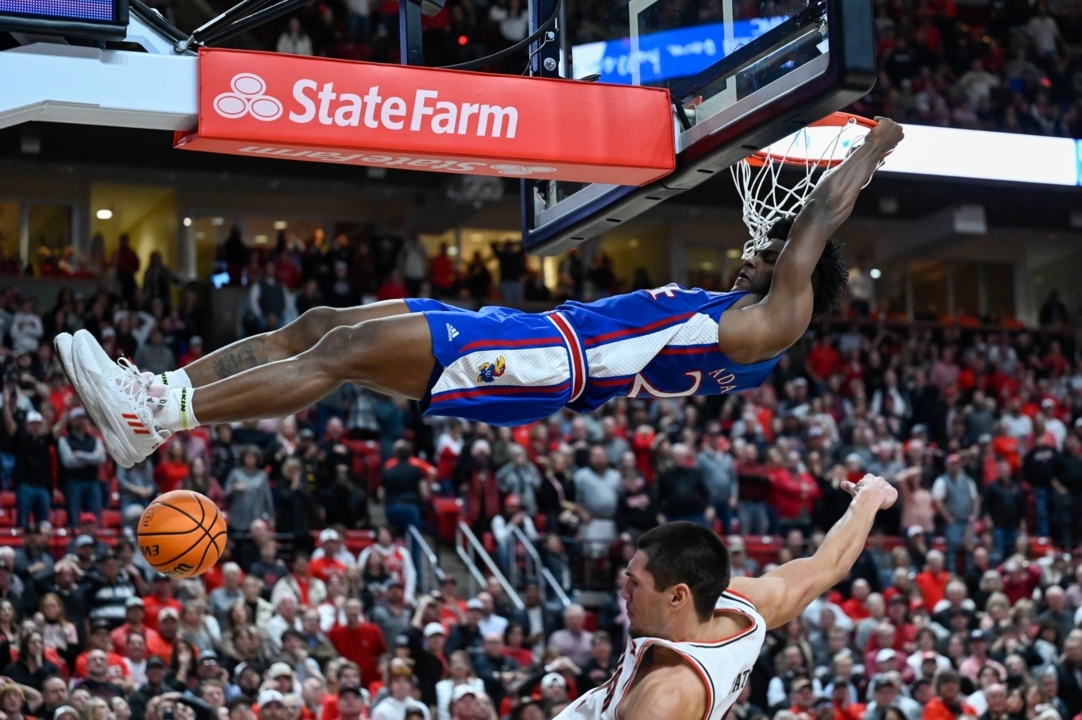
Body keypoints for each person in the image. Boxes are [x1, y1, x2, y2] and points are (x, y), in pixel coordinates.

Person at [58, 121, 906, 469]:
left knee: (344, 356)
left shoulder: (771, 325)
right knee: (324, 322)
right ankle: (159, 395)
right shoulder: (738, 314)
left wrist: (872, 150)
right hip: (533, 332)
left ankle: (161, 419)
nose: (750, 256)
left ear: (797, 278)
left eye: (766, 254)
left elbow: (817, 224)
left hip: (552, 363)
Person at [544, 473, 896, 720]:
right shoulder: (735, 603)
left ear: (678, 596)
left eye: (635, 583)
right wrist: (869, 498)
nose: (624, 593)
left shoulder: (666, 694)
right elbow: (826, 565)